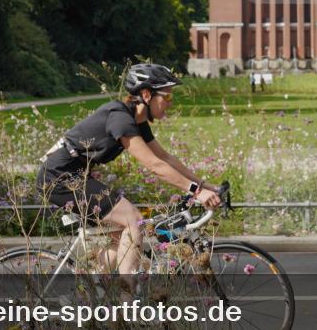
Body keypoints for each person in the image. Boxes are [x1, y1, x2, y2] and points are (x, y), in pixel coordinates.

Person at [36, 64, 222, 277]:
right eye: (167, 98)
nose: (170, 104)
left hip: (74, 175)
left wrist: (205, 186)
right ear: (146, 94)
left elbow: (165, 157)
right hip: (59, 177)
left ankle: (95, 290)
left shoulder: (136, 119)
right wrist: (197, 192)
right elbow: (155, 165)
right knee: (134, 220)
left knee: (120, 234)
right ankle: (128, 299)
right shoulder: (120, 118)